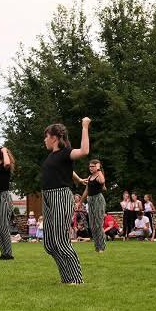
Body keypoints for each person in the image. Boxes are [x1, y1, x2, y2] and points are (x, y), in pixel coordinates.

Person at [41, 119, 90, 285]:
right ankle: (66, 277)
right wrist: (78, 178)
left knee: (61, 242)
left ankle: (76, 279)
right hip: (47, 198)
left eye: (46, 136)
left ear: (54, 137)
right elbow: (66, 169)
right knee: (49, 244)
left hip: (61, 196)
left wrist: (84, 126)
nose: (45, 140)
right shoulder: (53, 156)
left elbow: (84, 151)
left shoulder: (66, 152)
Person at [80, 159, 107, 252]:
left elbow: (102, 181)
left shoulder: (99, 175)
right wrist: (80, 203)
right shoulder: (90, 176)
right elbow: (86, 191)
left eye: (93, 166)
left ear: (97, 167)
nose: (90, 168)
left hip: (98, 200)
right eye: (90, 166)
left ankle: (102, 248)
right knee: (92, 225)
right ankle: (97, 247)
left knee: (98, 224)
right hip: (90, 200)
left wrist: (99, 170)